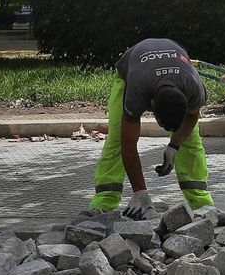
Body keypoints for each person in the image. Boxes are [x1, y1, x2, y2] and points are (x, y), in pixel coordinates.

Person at [89, 37, 212, 220]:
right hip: (132, 72)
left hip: (174, 67)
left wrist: (174, 145)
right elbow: (128, 144)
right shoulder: (136, 92)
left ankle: (202, 204)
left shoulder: (194, 89)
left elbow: (192, 116)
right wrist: (141, 193)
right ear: (151, 105)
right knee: (116, 139)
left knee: (191, 140)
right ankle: (104, 202)